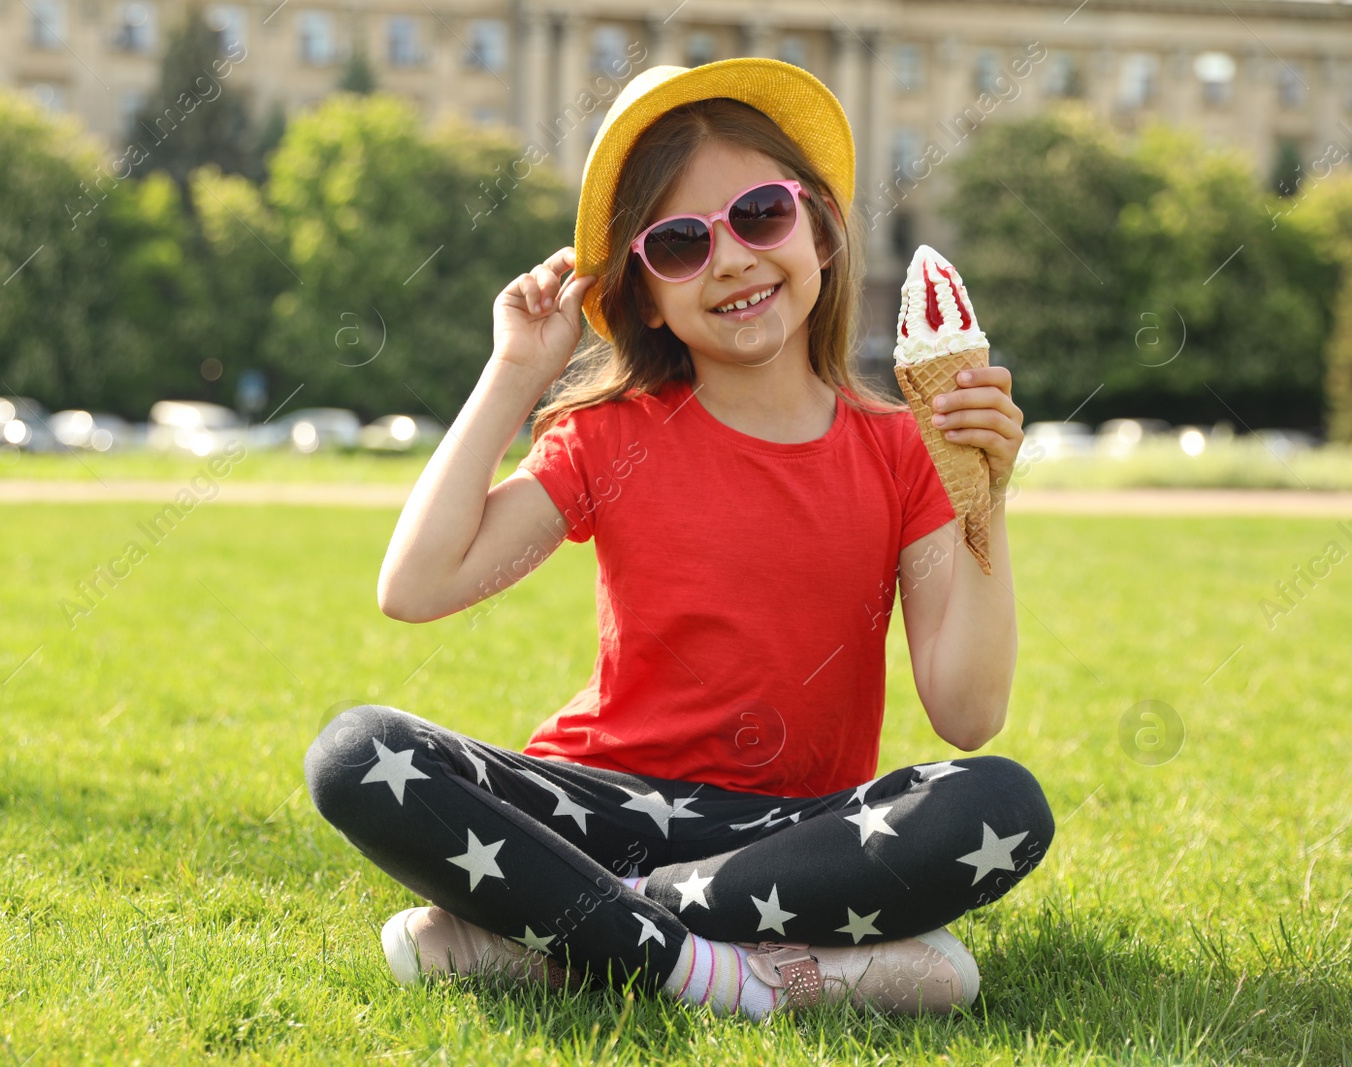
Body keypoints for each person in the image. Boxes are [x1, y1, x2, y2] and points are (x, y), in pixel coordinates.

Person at [305, 57, 1053, 1020]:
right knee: (357, 754)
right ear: (644, 293)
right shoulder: (609, 434)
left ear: (820, 230)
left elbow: (968, 712)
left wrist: (983, 504)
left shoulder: (903, 451)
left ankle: (562, 934)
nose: (733, 259)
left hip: (789, 837)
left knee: (999, 804)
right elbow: (416, 584)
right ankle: (734, 970)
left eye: (760, 216)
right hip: (594, 808)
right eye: (680, 242)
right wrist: (514, 372)